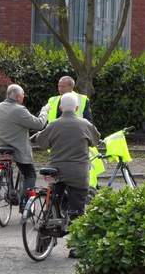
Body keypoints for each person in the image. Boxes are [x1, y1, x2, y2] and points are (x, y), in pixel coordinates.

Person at [34, 92, 101, 258]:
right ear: (77, 108)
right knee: (77, 209)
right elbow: (95, 140)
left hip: (57, 171)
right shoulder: (85, 124)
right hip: (78, 172)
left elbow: (41, 142)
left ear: (61, 108)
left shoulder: (54, 124)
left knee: (51, 204)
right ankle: (76, 248)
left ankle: (42, 244)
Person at [0, 84, 50, 222]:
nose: (23, 97)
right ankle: (24, 204)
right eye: (23, 94)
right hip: (17, 149)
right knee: (30, 174)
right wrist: (44, 111)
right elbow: (39, 124)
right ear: (17, 96)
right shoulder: (19, 110)